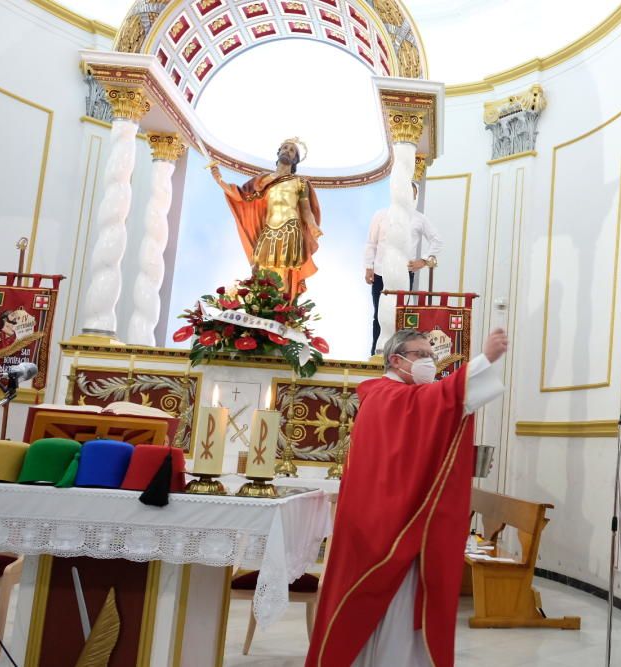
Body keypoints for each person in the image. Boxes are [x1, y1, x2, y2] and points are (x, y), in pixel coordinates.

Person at [306, 328, 508, 667]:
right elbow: (443, 400)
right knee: (389, 615)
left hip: (387, 524)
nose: (429, 362)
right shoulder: (390, 396)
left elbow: (433, 411)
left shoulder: (385, 395)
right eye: (421, 355)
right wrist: (484, 359)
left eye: (432, 356)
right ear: (396, 359)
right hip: (389, 533)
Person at [211, 138, 322, 298]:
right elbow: (241, 196)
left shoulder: (300, 182)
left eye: (292, 150)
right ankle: (261, 309)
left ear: (295, 159)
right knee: (260, 272)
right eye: (285, 148)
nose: (287, 151)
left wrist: (313, 226)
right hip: (268, 231)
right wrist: (219, 180)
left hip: (290, 230)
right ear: (278, 152)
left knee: (282, 275)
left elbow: (306, 210)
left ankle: (280, 312)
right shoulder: (263, 180)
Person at [364, 182, 442, 355]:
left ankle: (398, 356)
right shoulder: (381, 215)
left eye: (411, 193)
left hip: (404, 275)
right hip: (380, 273)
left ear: (415, 196)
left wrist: (424, 260)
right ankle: (376, 354)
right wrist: (368, 267)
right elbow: (371, 243)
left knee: (402, 315)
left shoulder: (419, 218)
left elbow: (436, 239)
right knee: (379, 315)